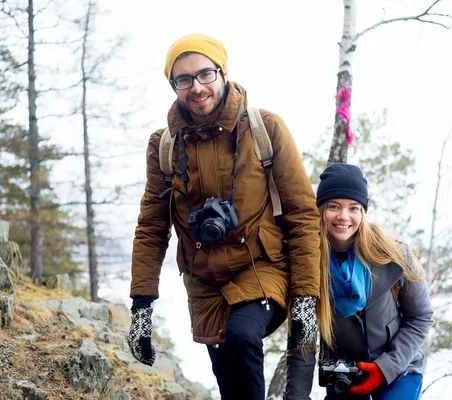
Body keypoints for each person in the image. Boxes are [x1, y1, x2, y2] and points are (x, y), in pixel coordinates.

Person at [127, 33, 328, 400]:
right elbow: (152, 228)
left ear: (222, 73)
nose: (196, 87)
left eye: (205, 74)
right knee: (229, 379)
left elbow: (302, 216)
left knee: (242, 335)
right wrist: (141, 306)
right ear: (173, 85)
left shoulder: (264, 128)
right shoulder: (164, 145)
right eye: (183, 79)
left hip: (261, 265)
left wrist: (304, 301)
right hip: (204, 280)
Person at [286, 163, 434, 400]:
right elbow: (302, 341)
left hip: (398, 371)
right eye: (334, 206)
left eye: (353, 208)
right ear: (321, 210)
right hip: (344, 376)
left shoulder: (394, 254)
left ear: (362, 213)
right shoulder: (308, 265)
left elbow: (421, 317)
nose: (343, 216)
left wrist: (384, 368)